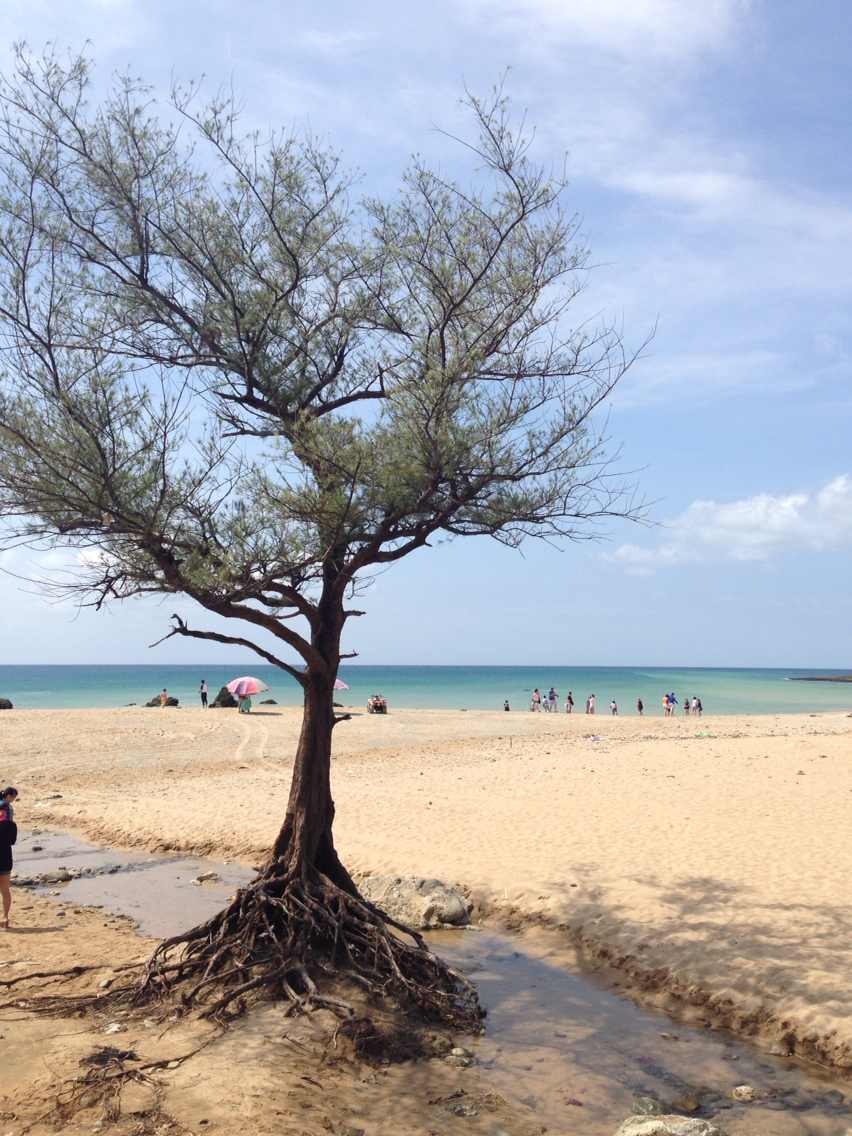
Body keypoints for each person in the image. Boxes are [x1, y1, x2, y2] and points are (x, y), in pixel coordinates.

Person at [0, 787, 18, 929]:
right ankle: (5, 918)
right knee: (5, 890)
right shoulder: (11, 823)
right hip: (5, 855)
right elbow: (12, 840)